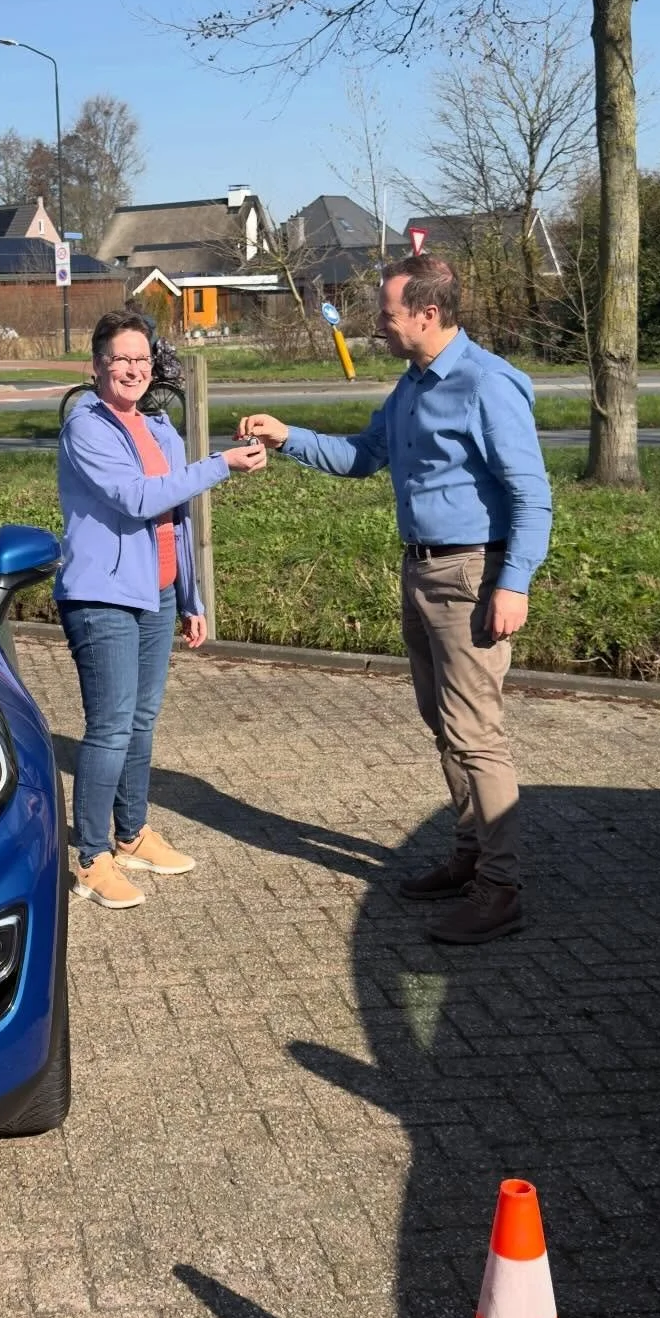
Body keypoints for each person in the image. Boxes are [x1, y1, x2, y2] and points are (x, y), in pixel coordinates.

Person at [236, 255, 552, 944]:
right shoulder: (410, 387)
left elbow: (532, 495)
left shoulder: (487, 384)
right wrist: (285, 437)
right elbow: (362, 456)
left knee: (477, 735)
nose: (377, 324)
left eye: (386, 313)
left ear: (426, 314)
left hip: (472, 577)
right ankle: (470, 859)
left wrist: (514, 583)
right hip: (421, 572)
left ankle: (502, 889)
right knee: (445, 726)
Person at [57, 310, 269, 909]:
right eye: (120, 360)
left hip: (156, 594)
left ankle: (131, 834)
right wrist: (220, 464)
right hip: (102, 598)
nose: (132, 370)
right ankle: (92, 857)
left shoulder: (159, 428)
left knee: (141, 723)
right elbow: (137, 497)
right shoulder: (87, 427)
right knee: (110, 727)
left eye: (141, 360)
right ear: (97, 365)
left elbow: (176, 519)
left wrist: (190, 598)